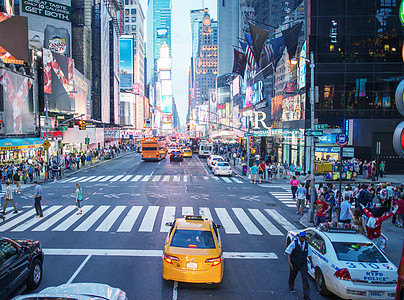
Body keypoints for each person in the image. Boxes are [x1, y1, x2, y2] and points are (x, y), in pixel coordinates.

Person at [285, 231, 314, 300]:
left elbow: (309, 255)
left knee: (305, 278)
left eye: (304, 237)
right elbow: (288, 253)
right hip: (295, 263)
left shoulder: (306, 245)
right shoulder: (294, 243)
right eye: (302, 237)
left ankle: (306, 294)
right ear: (299, 237)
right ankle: (291, 286)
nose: (303, 239)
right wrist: (289, 263)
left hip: (303, 264)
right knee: (292, 275)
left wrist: (312, 264)